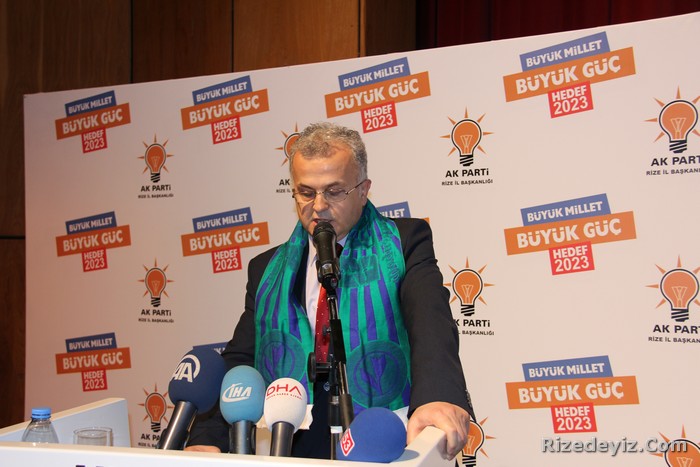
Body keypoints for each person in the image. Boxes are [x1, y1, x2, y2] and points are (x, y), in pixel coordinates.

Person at [186, 122, 474, 460]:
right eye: (306, 192)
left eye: (334, 192)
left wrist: (438, 396)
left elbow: (430, 321)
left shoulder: (404, 243)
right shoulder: (266, 269)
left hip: (382, 434)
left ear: (363, 191)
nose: (319, 206)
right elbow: (241, 358)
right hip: (294, 439)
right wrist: (208, 437)